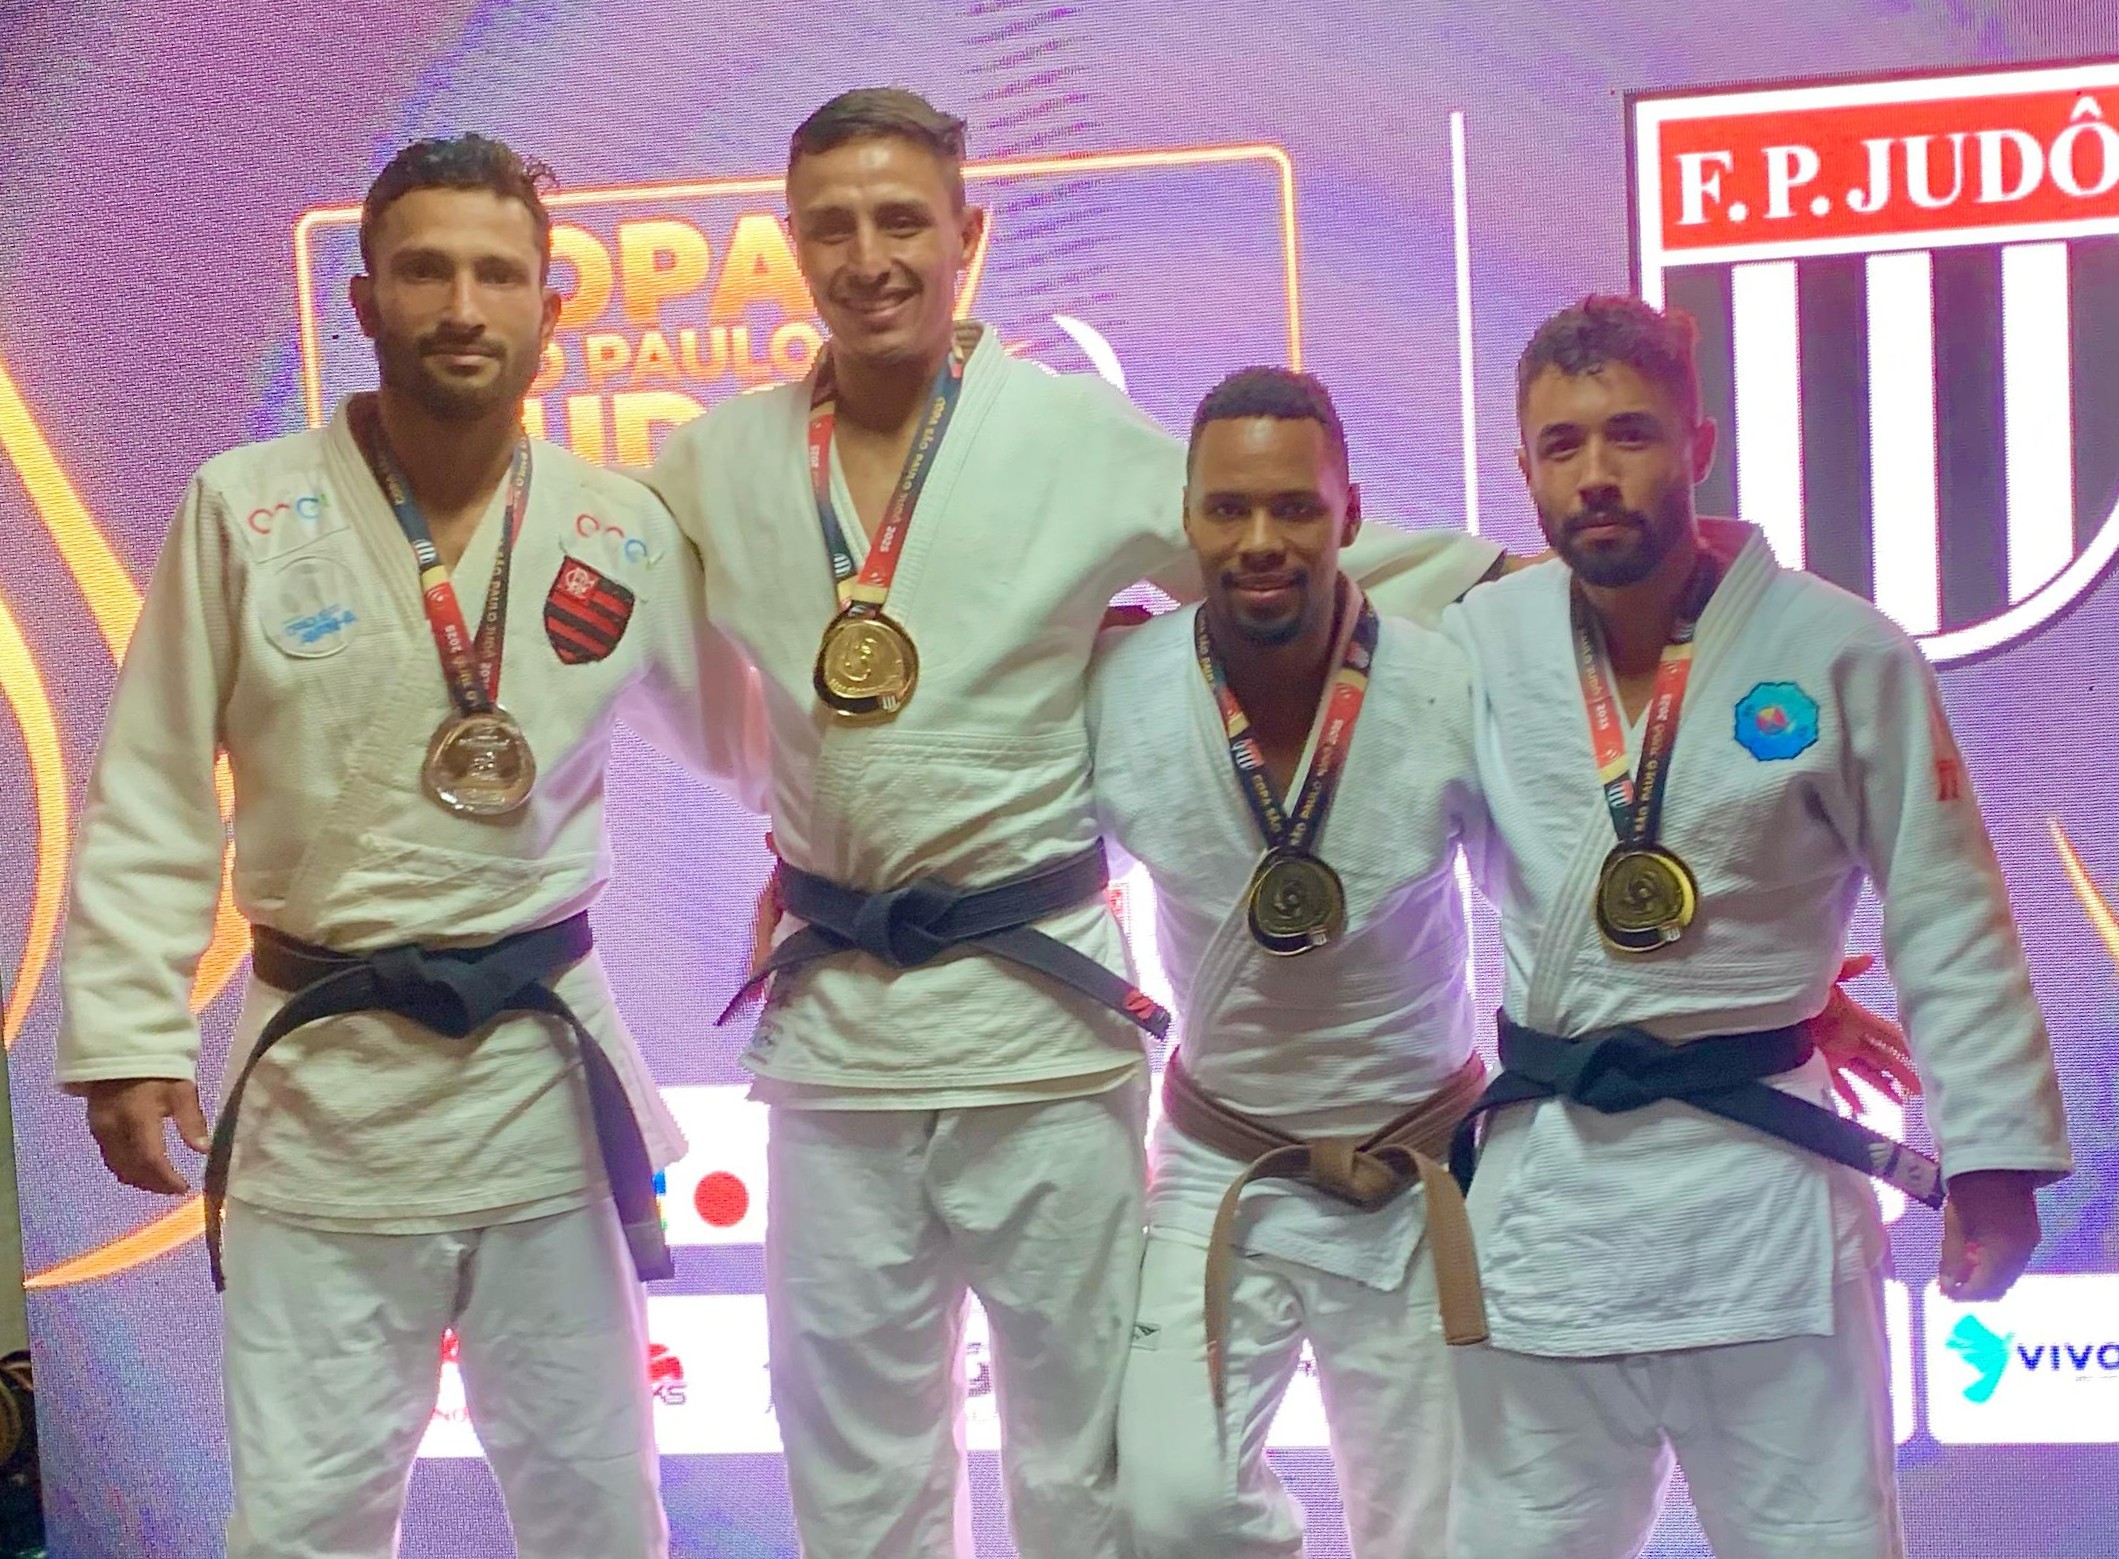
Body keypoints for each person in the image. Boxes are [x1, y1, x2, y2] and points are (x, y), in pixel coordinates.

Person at [644, 88, 1504, 1559]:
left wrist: (1526, 583)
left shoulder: (1073, 435)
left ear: (966, 235)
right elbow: (677, 670)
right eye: (832, 227)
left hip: (1037, 1026)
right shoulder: (713, 463)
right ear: (790, 244)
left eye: (902, 220)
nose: (869, 258)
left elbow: (1269, 549)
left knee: (1085, 1460)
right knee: (850, 1459)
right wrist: (797, 835)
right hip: (837, 1034)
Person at [59, 135, 759, 1559]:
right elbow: (151, 783)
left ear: (550, 306)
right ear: (363, 298)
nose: (462, 306)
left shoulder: (618, 528)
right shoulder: (245, 509)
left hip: (539, 1088)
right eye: (426, 271)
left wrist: (883, 814)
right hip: (324, 1097)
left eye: (497, 274)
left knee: (598, 1512)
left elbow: (764, 737)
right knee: (305, 1518)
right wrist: (130, 1029)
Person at [1440, 294, 2073, 1559]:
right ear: (1523, 469)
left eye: (1630, 434)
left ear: (1699, 446)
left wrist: (1992, 1160)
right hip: (1552, 1196)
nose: (1597, 474)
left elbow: (1944, 901)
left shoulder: (1839, 649)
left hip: (1764, 1193)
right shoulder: (1474, 643)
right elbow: (1373, 842)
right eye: (1563, 445)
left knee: (1817, 1539)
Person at [1088, 366, 1490, 1559]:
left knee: (1433, 1536)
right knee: (1168, 1505)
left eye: (1294, 507)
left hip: (1418, 1159)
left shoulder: (1447, 684)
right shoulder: (1118, 689)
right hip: (1220, 1161)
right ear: (1188, 518)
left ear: (1349, 513)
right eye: (1227, 508)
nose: (1259, 540)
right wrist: (806, 862)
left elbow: (1562, 897)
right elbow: (999, 845)